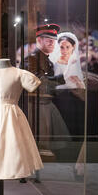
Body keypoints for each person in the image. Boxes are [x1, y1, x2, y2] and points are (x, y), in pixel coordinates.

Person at [27, 24, 69, 157]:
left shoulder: (45, 59)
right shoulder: (33, 58)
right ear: (39, 40)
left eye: (53, 40)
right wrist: (58, 79)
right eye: (48, 39)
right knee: (40, 137)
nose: (52, 42)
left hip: (44, 102)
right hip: (36, 104)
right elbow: (36, 81)